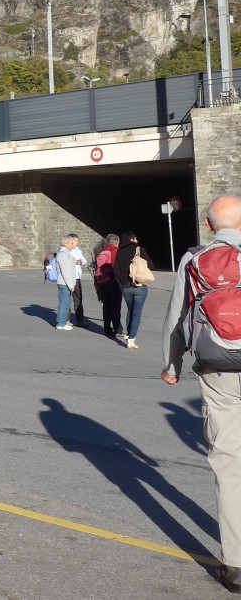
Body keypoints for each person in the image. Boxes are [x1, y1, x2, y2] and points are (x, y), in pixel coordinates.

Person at [160, 194, 241, 593]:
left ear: (209, 226)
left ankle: (237, 565)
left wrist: (172, 364)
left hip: (218, 368)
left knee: (229, 465)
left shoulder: (194, 260)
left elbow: (177, 316)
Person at [113, 230, 153, 350]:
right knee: (137, 312)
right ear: (132, 239)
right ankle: (131, 338)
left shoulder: (119, 252)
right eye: (135, 238)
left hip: (126, 287)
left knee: (130, 310)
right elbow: (151, 265)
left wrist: (123, 280)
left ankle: (128, 333)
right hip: (139, 286)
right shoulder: (140, 250)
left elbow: (116, 271)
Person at [95, 234, 123, 339]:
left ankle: (107, 328)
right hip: (113, 282)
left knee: (106, 306)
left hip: (102, 282)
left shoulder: (102, 253)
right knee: (116, 306)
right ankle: (117, 329)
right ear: (117, 242)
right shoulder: (116, 251)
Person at [53, 234, 79, 331]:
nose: (73, 244)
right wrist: (71, 285)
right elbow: (65, 271)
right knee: (64, 303)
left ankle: (62, 322)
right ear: (66, 244)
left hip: (67, 282)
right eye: (71, 243)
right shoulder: (63, 254)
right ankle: (61, 323)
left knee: (67, 303)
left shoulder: (67, 254)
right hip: (65, 283)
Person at [69, 234, 87, 327]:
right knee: (67, 300)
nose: (77, 243)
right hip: (69, 277)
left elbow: (84, 261)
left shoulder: (78, 250)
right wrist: (74, 261)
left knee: (78, 299)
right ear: (71, 241)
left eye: (77, 241)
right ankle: (66, 320)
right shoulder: (67, 250)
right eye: (75, 241)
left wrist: (80, 261)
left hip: (77, 277)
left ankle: (80, 320)